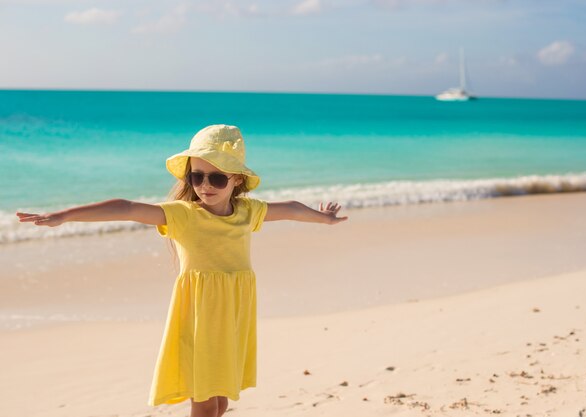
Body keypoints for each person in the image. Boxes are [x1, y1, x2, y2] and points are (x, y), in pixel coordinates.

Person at [16, 124, 348, 417]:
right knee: (204, 403)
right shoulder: (183, 215)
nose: (205, 185)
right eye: (197, 176)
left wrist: (324, 220)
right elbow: (127, 208)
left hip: (234, 310)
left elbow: (290, 208)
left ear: (237, 180)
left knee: (220, 401)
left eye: (216, 177)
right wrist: (64, 216)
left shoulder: (247, 211)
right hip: (201, 313)